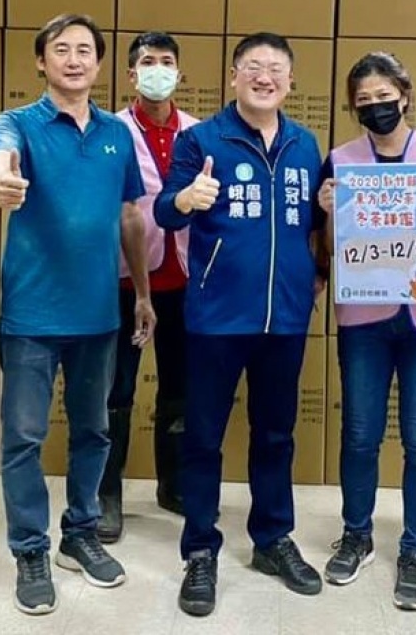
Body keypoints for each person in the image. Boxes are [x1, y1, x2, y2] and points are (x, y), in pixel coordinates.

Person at [0, 13, 154, 616]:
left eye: (86, 50)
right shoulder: (18, 123)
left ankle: (79, 535)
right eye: (62, 49)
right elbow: (0, 161)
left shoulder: (116, 134)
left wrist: (142, 293)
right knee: (23, 439)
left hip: (99, 315)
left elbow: (130, 216)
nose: (75, 59)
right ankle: (30, 550)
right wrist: (4, 182)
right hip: (31, 315)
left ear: (100, 64)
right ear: (42, 60)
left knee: (94, 431)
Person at [154, 32, 325, 618]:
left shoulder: (305, 144)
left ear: (290, 81)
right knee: (203, 437)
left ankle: (273, 538)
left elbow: (313, 224)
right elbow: (163, 209)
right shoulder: (201, 139)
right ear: (233, 77)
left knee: (275, 434)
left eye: (275, 67)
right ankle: (201, 549)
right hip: (217, 317)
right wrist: (185, 199)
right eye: (253, 66)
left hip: (286, 316)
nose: (264, 76)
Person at [315, 53, 416, 610]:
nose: (376, 107)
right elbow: (330, 249)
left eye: (384, 97)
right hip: (365, 319)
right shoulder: (341, 160)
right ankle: (356, 535)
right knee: (360, 433)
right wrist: (330, 209)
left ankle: (413, 550)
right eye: (364, 101)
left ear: (404, 95)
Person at [99, 32, 197, 543]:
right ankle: (107, 493)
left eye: (167, 62)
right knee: (116, 388)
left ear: (179, 73)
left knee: (180, 385)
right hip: (123, 281)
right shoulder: (110, 131)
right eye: (147, 62)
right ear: (132, 75)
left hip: (186, 280)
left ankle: (173, 484)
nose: (158, 70)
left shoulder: (199, 133)